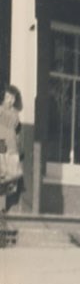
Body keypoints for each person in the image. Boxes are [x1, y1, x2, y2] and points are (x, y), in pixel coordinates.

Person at [0, 84, 24, 214]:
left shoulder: (15, 114)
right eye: (8, 96)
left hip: (12, 147)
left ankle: (3, 207)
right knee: (2, 175)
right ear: (4, 96)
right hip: (1, 144)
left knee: (11, 178)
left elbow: (16, 132)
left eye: (12, 97)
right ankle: (1, 208)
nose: (9, 99)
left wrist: (18, 149)